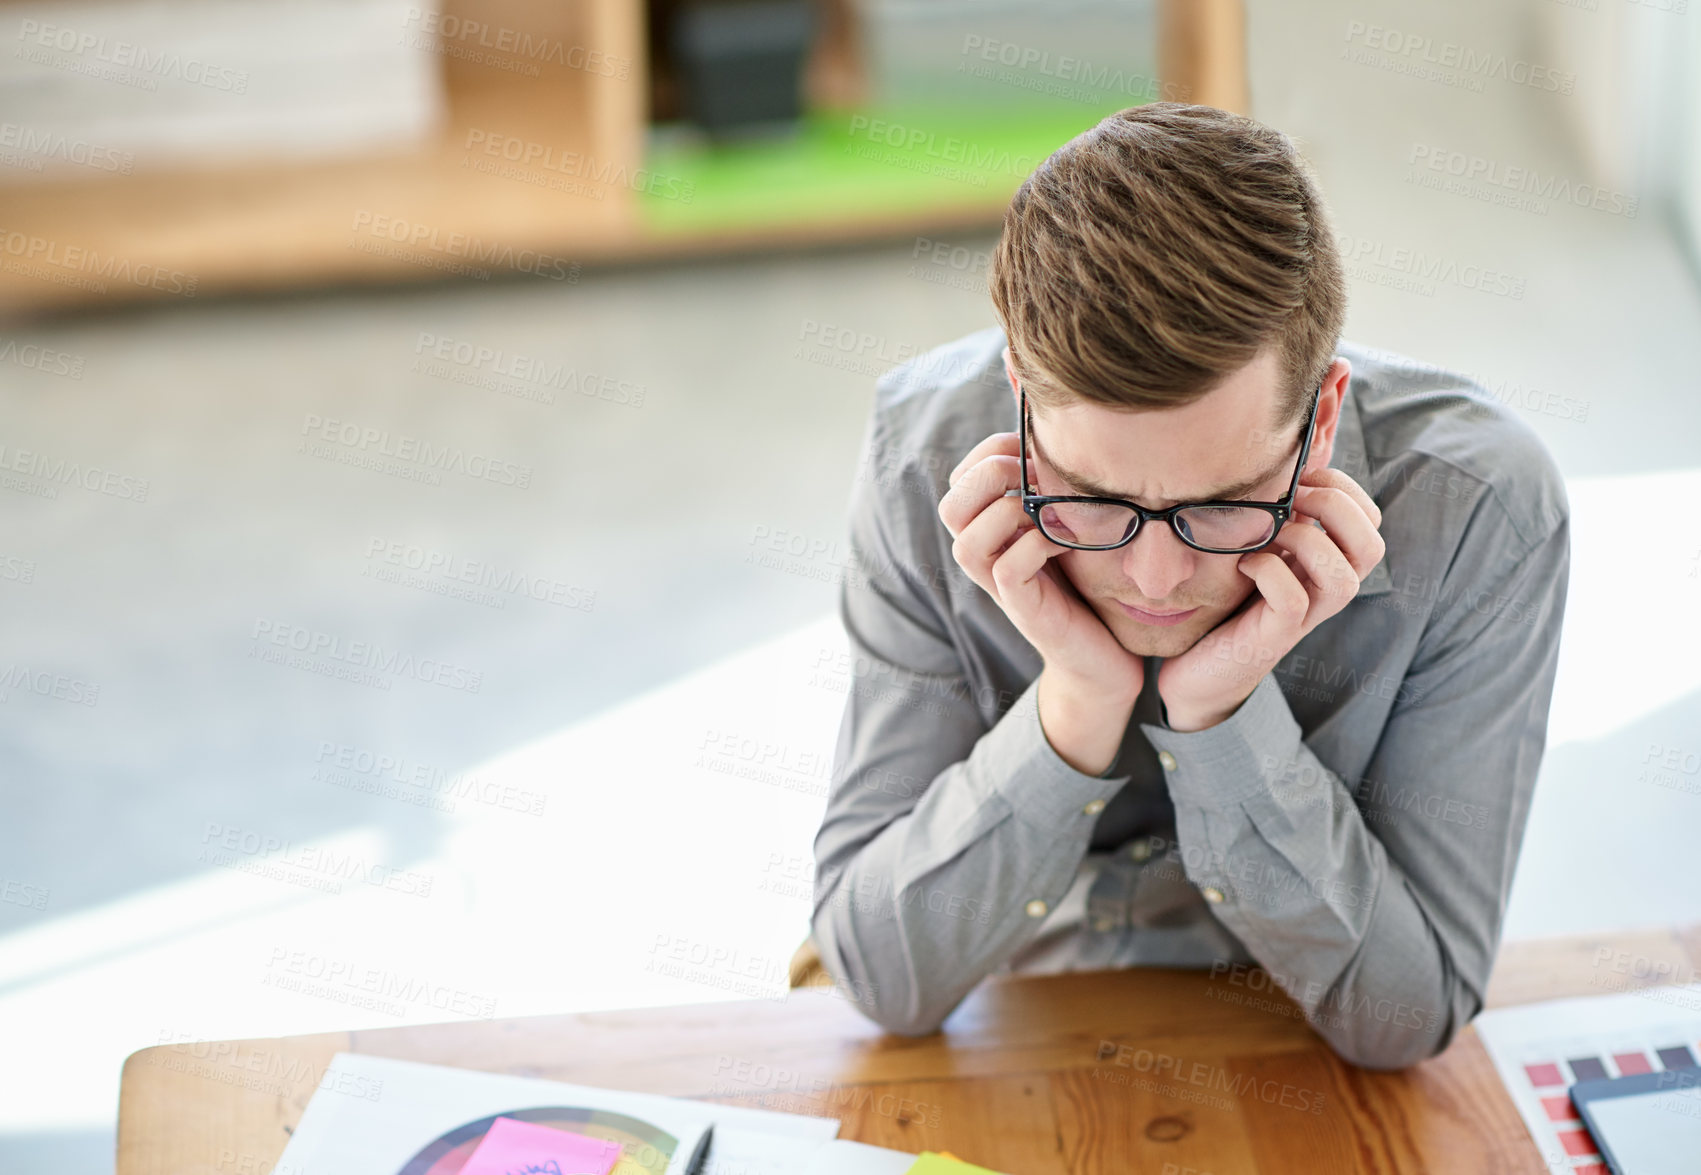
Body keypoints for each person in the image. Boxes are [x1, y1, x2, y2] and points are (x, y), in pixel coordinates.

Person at [802, 102, 1570, 1070]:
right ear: (1019, 392)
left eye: (1223, 503)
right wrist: (1077, 699)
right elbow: (881, 976)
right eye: (1090, 496)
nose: (1156, 578)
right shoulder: (923, 457)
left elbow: (1405, 1017)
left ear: (1323, 415)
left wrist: (1220, 717)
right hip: (1028, 1035)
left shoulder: (1479, 509)